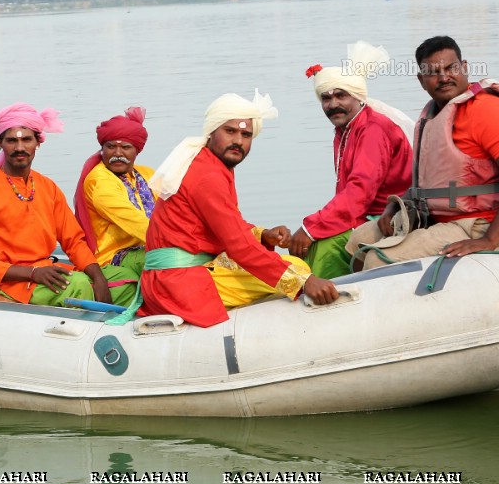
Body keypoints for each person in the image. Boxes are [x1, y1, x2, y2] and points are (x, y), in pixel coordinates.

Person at [131, 91, 338, 327]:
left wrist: (262, 235)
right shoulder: (207, 174)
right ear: (212, 132)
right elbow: (239, 247)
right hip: (177, 281)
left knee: (286, 269)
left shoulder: (211, 163)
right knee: (298, 269)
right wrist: (304, 281)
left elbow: (227, 225)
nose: (238, 141)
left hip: (181, 271)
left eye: (246, 134)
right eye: (230, 131)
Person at [347, 36, 499, 270]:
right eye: (433, 72)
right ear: (421, 80)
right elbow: (437, 181)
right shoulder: (435, 114)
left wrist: (489, 240)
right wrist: (396, 205)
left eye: (451, 68)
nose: (444, 77)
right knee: (358, 242)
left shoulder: (488, 110)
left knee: (378, 259)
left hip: (483, 224)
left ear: (465, 68)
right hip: (445, 219)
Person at [0, 103, 138, 307]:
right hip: (10, 283)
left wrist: (99, 278)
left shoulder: (48, 187)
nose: (20, 148)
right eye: (12, 140)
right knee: (78, 284)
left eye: (26, 139)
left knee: (126, 279)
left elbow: (73, 241)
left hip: (47, 272)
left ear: (38, 142)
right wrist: (33, 273)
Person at [288, 42, 414, 278]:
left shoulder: (373, 130)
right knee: (311, 244)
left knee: (325, 246)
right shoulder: (347, 128)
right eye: (326, 98)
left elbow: (359, 192)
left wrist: (310, 227)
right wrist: (315, 226)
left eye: (340, 95)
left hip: (389, 216)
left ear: (357, 97)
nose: (333, 104)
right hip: (365, 214)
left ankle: (325, 302)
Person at [72, 106, 156, 277]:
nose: (118, 153)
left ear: (137, 150)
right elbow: (136, 222)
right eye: (111, 147)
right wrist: (179, 242)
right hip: (114, 257)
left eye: (125, 147)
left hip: (151, 244)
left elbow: (177, 205)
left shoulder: (148, 174)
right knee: (171, 260)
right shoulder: (99, 182)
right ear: (103, 149)